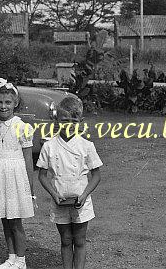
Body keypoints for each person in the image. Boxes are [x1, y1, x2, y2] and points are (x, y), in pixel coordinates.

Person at [37, 97, 103, 269]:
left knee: (80, 240)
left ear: (81, 122)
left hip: (81, 201)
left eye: (74, 121)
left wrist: (85, 194)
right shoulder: (49, 146)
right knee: (65, 240)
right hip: (59, 201)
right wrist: (54, 194)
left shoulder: (86, 145)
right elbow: (42, 176)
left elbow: (96, 175)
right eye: (64, 121)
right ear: (57, 121)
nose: (69, 125)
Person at [0, 77, 35, 269]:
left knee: (15, 221)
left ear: (16, 103)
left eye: (8, 102)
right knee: (4, 219)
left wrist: (30, 185)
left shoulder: (22, 127)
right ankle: (11, 258)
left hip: (15, 176)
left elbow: (28, 159)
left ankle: (21, 261)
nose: (3, 106)